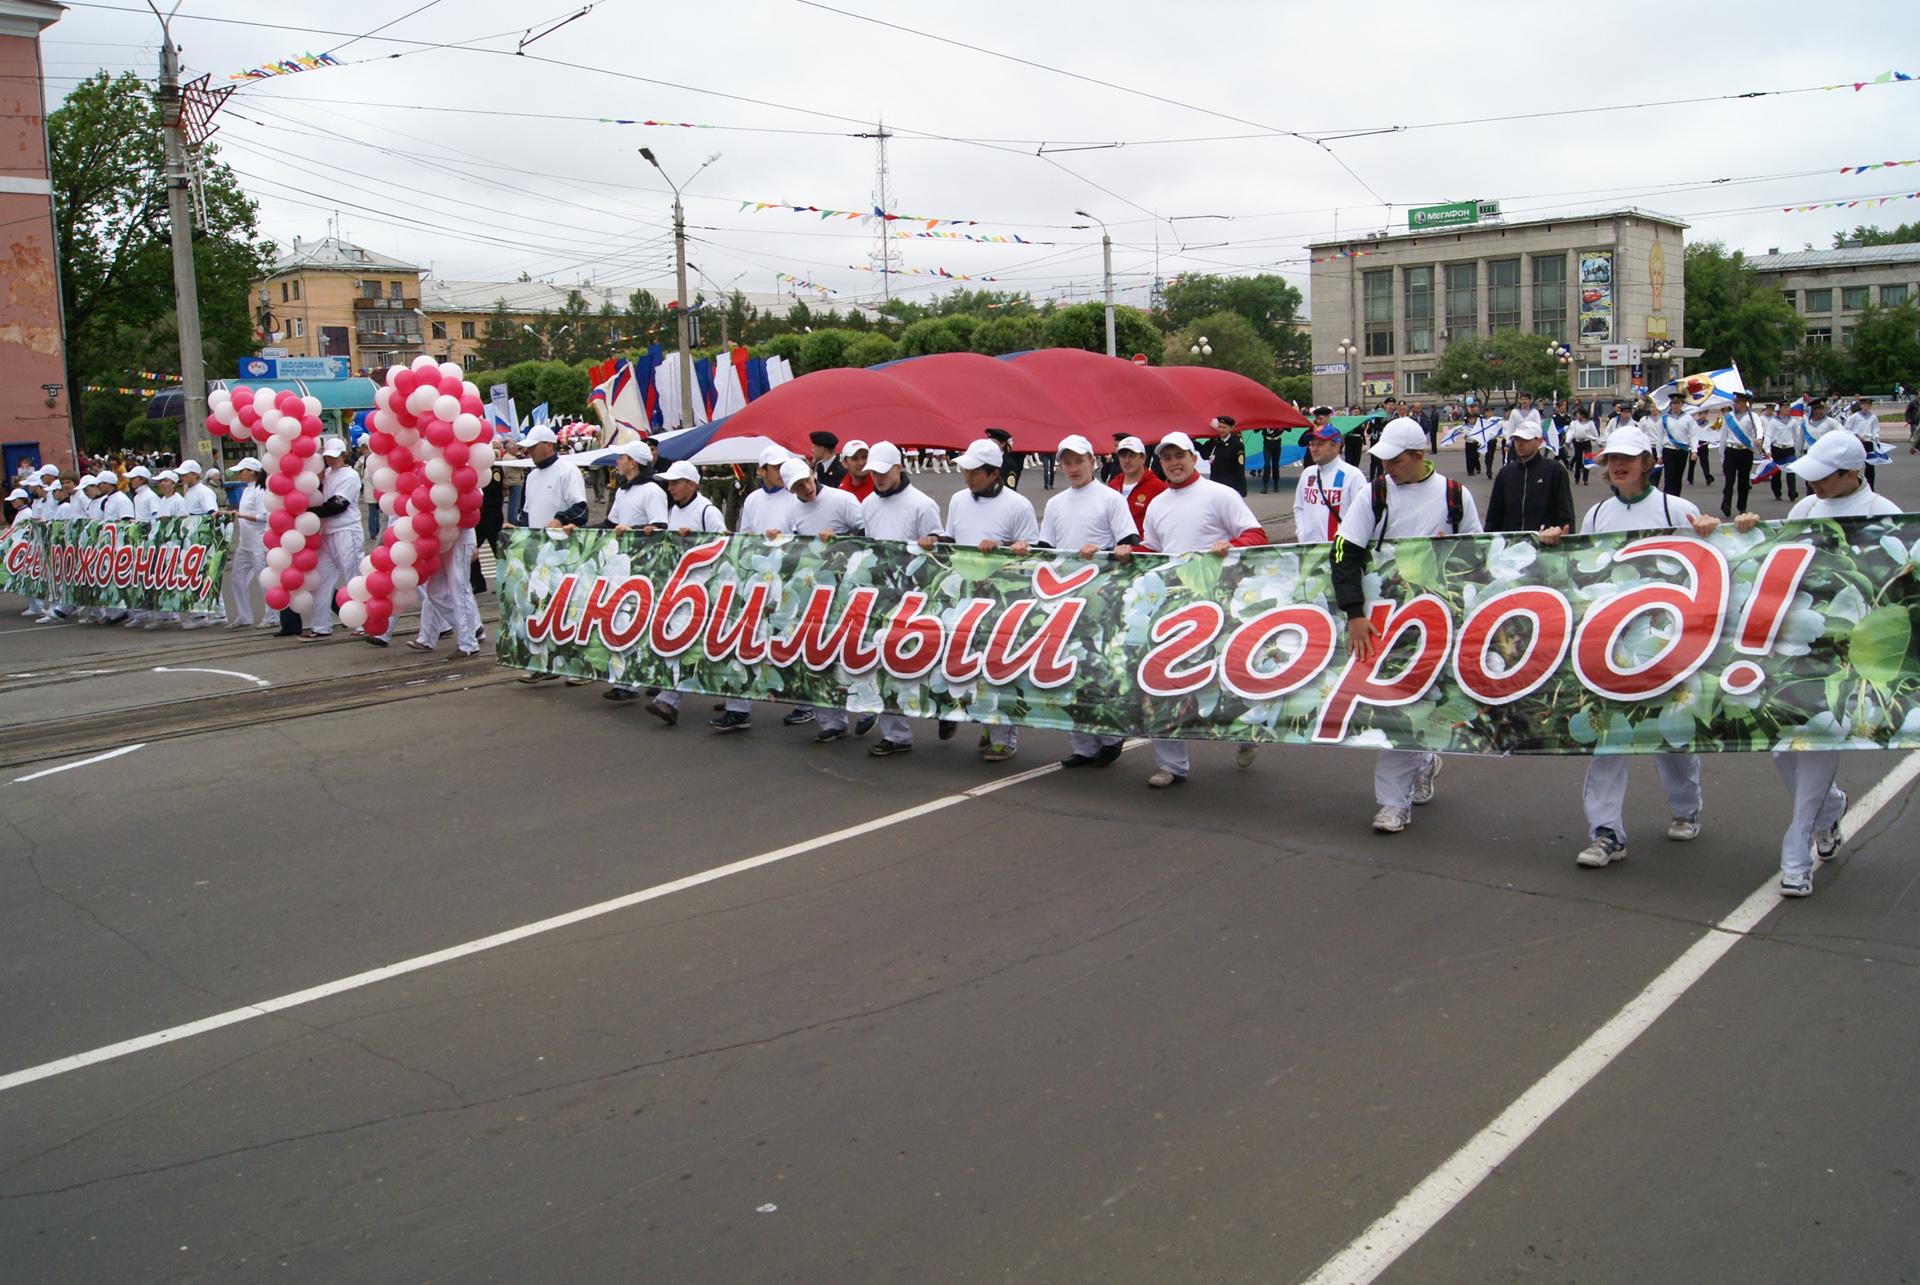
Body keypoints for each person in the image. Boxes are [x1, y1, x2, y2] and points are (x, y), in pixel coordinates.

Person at [1538, 426, 1718, 868]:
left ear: (1648, 462)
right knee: (1607, 735)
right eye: (1611, 459)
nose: (1618, 465)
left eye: (1628, 458)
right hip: (1611, 647)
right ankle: (1606, 833)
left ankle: (1685, 809)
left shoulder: (1677, 509)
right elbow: (1584, 572)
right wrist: (1555, 548)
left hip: (1670, 642)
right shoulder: (1597, 515)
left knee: (1672, 739)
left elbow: (1710, 566)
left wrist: (1715, 533)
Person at [1757, 430, 1902, 896]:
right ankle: (1830, 808)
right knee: (1781, 747)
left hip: (1851, 659)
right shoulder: (1804, 510)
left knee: (1816, 746)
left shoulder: (1888, 516)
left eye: (1823, 477)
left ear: (1852, 473)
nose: (1814, 484)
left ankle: (1796, 859)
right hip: (1799, 648)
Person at [1330, 418, 1482, 832]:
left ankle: (1413, 776)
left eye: (1396, 461)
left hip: (1440, 620)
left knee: (1421, 703)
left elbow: (1475, 555)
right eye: (1383, 460)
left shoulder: (1455, 496)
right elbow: (1345, 552)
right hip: (1385, 621)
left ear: (1419, 456)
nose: (1387, 468)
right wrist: (1355, 613)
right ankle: (1395, 800)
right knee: (1394, 706)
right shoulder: (1373, 494)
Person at [1114, 431, 1268, 788]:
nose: (1173, 463)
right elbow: (1154, 550)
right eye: (1166, 458)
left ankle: (1246, 733)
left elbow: (1256, 535)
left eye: (1179, 456)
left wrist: (1230, 544)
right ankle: (1171, 764)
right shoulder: (1158, 504)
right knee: (1163, 681)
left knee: (1225, 678)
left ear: (1194, 457)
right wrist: (1128, 552)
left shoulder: (1220, 494)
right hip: (1171, 607)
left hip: (1219, 603)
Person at [1030, 434, 1138, 769]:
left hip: (1099, 597)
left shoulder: (1110, 499)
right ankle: (1083, 746)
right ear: (1059, 465)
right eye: (1066, 462)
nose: (1073, 468)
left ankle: (1110, 737)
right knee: (1067, 670)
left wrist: (1108, 552)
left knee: (1097, 669)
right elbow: (1045, 548)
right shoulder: (1056, 503)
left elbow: (1128, 543)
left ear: (1093, 462)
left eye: (1079, 461)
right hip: (1063, 597)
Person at [943, 437, 1040, 761]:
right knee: (968, 664)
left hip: (1002, 598)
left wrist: (1006, 548)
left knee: (999, 666)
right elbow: (952, 541)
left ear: (993, 472)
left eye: (974, 472)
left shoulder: (1017, 505)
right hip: (965, 596)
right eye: (964, 470)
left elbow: (1033, 552)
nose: (967, 477)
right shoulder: (957, 500)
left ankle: (1004, 738)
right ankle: (986, 720)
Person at [763, 459, 871, 741]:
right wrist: (777, 537)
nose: (806, 488)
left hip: (849, 587)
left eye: (807, 480)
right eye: (798, 486)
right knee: (817, 652)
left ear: (812, 474)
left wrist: (842, 538)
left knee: (852, 648)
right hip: (813, 591)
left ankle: (867, 706)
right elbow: (794, 542)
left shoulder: (842, 499)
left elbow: (869, 537)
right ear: (789, 489)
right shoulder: (793, 507)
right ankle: (831, 719)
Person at [860, 440, 948, 756]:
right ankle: (895, 734)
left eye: (884, 472)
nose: (878, 478)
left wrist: (932, 540)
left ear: (899, 468)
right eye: (874, 473)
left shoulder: (921, 504)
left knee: (927, 661)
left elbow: (942, 548)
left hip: (918, 596)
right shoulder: (868, 504)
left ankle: (943, 706)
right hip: (881, 595)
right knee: (883, 664)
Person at [643, 461, 732, 727]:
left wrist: (698, 540)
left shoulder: (707, 510)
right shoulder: (674, 510)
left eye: (674, 483)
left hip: (707, 590)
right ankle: (670, 700)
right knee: (682, 644)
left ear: (691, 484)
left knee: (714, 647)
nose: (669, 488)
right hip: (682, 591)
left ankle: (735, 703)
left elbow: (726, 543)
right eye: (668, 483)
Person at [301, 439, 363, 641]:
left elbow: (338, 504)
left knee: (353, 578)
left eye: (335, 456)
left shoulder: (351, 475)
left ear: (343, 455)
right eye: (327, 456)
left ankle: (363, 623)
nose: (331, 460)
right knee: (320, 581)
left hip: (346, 531)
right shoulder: (326, 475)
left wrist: (308, 511)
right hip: (327, 534)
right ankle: (320, 626)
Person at [1484, 418, 1575, 535]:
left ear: (1539, 441)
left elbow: (1566, 513)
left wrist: (1567, 539)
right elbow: (1494, 515)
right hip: (1511, 546)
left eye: (1525, 440)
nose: (1519, 444)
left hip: (1544, 545)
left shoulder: (1554, 470)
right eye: (1516, 439)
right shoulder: (1506, 473)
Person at [1293, 418, 1363, 544]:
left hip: (1338, 551)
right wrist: (1302, 534)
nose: (1314, 449)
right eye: (1312, 444)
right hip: (1309, 550)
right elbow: (1299, 507)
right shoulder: (1307, 474)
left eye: (1320, 444)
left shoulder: (1352, 476)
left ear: (1336, 447)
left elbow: (1362, 516)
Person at [176, 460, 222, 628]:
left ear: (195, 474)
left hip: (201, 540)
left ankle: (207, 613)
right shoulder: (189, 491)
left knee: (204, 575)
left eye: (185, 474)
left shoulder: (203, 492)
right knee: (199, 576)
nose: (182, 477)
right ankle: (212, 612)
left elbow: (212, 513)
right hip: (192, 539)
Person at [225, 458, 268, 629]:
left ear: (251, 472)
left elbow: (264, 517)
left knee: (264, 580)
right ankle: (243, 616)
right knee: (237, 579)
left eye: (241, 471)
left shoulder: (260, 491)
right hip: (245, 543)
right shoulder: (246, 490)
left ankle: (271, 616)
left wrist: (242, 516)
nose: (239, 474)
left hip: (259, 543)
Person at [1106, 434, 1166, 534]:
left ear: (1143, 458)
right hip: (1114, 547)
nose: (1126, 461)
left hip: (1142, 548)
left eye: (1132, 456)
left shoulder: (1158, 487)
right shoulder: (1113, 485)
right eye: (1123, 456)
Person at [1717, 391, 1762, 518]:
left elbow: (1758, 428)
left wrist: (1758, 438)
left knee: (1743, 481)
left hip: (1745, 451)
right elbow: (1723, 436)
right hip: (1731, 451)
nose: (1735, 404)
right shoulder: (1728, 417)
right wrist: (1722, 455)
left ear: (1744, 402)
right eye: (1734, 402)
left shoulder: (1753, 417)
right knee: (1729, 480)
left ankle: (1742, 507)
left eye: (1737, 402)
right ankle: (1726, 504)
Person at [739, 444, 795, 535]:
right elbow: (744, 534)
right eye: (777, 467)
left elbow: (803, 538)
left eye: (784, 466)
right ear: (761, 471)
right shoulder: (751, 499)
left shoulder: (796, 497)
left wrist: (783, 537)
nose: (782, 471)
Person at [1644, 396, 1694, 497]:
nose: (1676, 406)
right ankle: (1667, 499)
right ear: (1670, 404)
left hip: (1682, 450)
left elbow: (1693, 435)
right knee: (1669, 477)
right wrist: (1659, 455)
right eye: (1674, 403)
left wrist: (1694, 450)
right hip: (1668, 450)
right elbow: (1660, 437)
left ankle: (1676, 498)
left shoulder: (1687, 418)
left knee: (1678, 478)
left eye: (1678, 403)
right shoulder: (1665, 418)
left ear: (1681, 404)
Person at [1764, 400, 1800, 501]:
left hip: (1788, 448)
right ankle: (1777, 492)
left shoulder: (1792, 421)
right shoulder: (1774, 421)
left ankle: (1792, 492)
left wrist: (1799, 448)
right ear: (1780, 409)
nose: (1787, 409)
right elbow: (1769, 435)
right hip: (1777, 449)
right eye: (1785, 407)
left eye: (1788, 407)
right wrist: (1767, 448)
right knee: (1776, 472)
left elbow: (1797, 436)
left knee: (1791, 470)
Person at [1843, 395, 1883, 487]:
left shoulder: (1873, 417)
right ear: (1861, 406)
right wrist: (1856, 435)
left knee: (1870, 465)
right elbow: (1846, 429)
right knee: (1855, 463)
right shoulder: (1855, 417)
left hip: (1868, 441)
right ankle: (1854, 484)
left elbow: (1875, 429)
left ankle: (1870, 486)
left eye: (1868, 406)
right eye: (1864, 405)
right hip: (1857, 442)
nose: (1866, 407)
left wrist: (1876, 437)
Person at [1204, 417, 1247, 495]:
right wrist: (1193, 441)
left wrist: (1242, 487)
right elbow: (1205, 454)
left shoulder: (1236, 445)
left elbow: (1239, 467)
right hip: (1215, 483)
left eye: (1224, 427)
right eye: (1219, 427)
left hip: (1229, 485)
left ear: (1231, 428)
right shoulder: (1214, 442)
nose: (1221, 430)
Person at [1564, 404, 1597, 485]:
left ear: (1582, 414)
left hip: (1586, 443)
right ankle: (1577, 477)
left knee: (1587, 460)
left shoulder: (1590, 423)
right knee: (1578, 461)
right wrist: (1567, 442)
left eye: (1578, 413)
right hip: (1578, 443)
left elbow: (1594, 434)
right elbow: (1571, 433)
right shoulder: (1574, 423)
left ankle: (1585, 479)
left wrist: (1599, 442)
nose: (1577, 415)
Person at [1259, 421, 1288, 493]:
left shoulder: (1278, 421)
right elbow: (1256, 430)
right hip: (1267, 444)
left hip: (1276, 444)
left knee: (1275, 464)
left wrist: (1281, 424)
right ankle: (1265, 484)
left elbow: (1289, 428)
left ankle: (1276, 483)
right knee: (1267, 464)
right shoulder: (1264, 421)